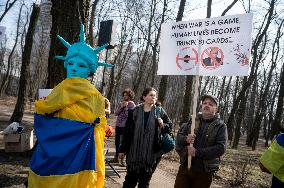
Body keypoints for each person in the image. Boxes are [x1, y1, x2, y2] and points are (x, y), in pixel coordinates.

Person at [28, 24, 112, 188]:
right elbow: (98, 125)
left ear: (90, 71)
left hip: (71, 153)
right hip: (82, 157)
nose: (74, 68)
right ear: (66, 64)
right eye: (71, 63)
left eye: (81, 66)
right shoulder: (94, 95)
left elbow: (43, 113)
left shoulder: (72, 90)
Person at [118, 87, 172, 188]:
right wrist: (122, 149)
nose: (153, 98)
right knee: (129, 182)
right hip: (134, 153)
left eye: (155, 96)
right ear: (144, 97)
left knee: (144, 183)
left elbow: (169, 128)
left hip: (150, 154)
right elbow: (127, 132)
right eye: (151, 95)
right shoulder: (134, 111)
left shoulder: (159, 111)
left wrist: (162, 124)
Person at [174, 94, 228, 188]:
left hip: (204, 172)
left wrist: (197, 152)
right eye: (205, 103)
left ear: (216, 109)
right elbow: (179, 137)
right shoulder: (193, 120)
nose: (206, 105)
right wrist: (185, 139)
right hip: (186, 167)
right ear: (201, 106)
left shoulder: (221, 126)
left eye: (211, 104)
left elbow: (221, 148)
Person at [112, 89, 135, 165]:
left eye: (126, 95)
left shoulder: (132, 105)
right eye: (124, 95)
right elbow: (116, 113)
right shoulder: (121, 103)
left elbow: (129, 116)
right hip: (118, 125)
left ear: (130, 96)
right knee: (117, 142)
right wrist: (121, 107)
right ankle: (116, 157)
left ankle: (122, 160)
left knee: (123, 143)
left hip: (125, 126)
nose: (125, 96)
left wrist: (125, 107)